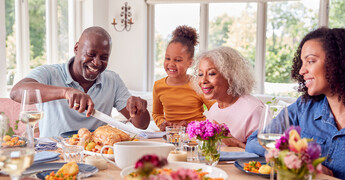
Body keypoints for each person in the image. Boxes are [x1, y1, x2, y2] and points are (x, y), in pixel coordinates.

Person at [246, 27, 345, 180]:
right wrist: (301, 159)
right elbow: (253, 142)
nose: (301, 70)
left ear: (340, 62)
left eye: (311, 61)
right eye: (302, 62)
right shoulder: (304, 107)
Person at [10, 26, 150, 137]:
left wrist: (139, 111)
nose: (96, 63)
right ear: (76, 48)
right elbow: (16, 92)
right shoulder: (49, 73)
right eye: (91, 54)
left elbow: (141, 125)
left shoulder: (112, 80)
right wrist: (66, 92)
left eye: (104, 57)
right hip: (54, 156)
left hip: (96, 156)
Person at [193, 46, 264, 148]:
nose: (203, 80)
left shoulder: (253, 110)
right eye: (200, 74)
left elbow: (268, 155)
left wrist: (236, 143)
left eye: (211, 73)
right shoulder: (214, 109)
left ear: (231, 76)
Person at [152, 25, 214, 131]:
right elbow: (157, 113)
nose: (171, 64)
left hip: (196, 136)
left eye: (178, 60)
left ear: (190, 63)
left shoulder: (198, 84)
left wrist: (192, 126)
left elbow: (216, 110)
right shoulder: (158, 86)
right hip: (171, 136)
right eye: (167, 58)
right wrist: (162, 123)